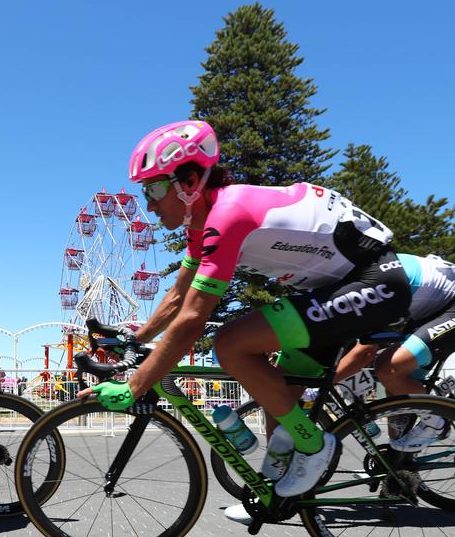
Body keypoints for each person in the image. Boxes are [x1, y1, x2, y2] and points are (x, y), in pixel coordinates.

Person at [81, 120, 411, 507]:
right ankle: (277, 491)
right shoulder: (202, 224)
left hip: (375, 283)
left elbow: (191, 319)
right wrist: (135, 341)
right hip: (332, 289)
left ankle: (316, 446)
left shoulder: (229, 214)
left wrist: (134, 385)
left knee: (231, 343)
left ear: (188, 184)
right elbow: (176, 296)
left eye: (153, 189)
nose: (149, 204)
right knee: (279, 406)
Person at [334, 254, 455, 448]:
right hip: (425, 316)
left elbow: (365, 351)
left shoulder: (372, 283)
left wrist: (324, 382)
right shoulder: (353, 276)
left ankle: (439, 423)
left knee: (389, 368)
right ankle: (401, 467)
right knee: (396, 397)